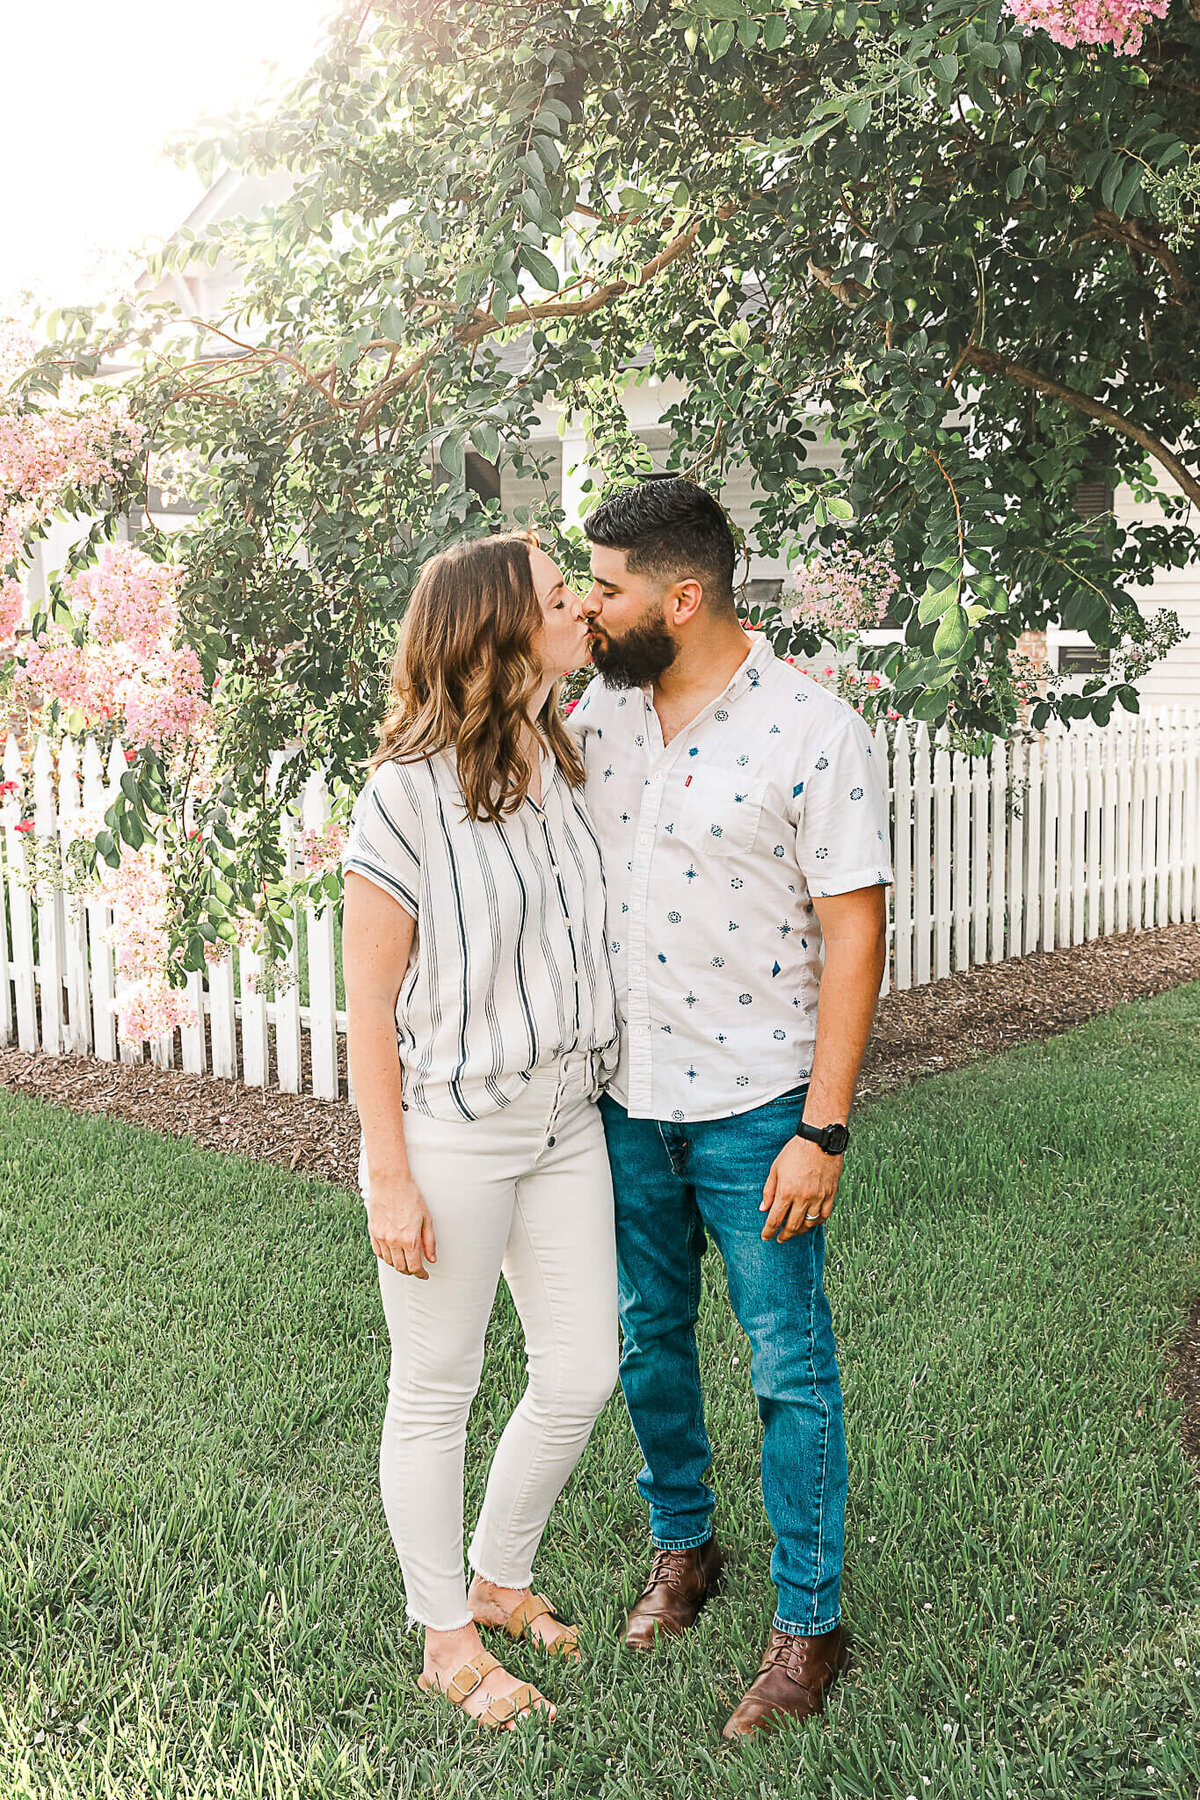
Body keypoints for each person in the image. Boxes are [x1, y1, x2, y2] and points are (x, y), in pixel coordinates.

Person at [570, 477, 892, 1740]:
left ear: (683, 596)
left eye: (605, 586)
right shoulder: (596, 711)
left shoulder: (814, 730)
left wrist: (822, 1128)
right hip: (624, 1099)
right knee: (650, 1340)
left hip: (759, 1107)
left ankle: (811, 1624)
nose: (589, 606)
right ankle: (685, 1549)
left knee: (789, 1369)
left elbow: (852, 935)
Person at [341, 532, 621, 1731]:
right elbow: (364, 1013)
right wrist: (389, 1175)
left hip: (566, 1117)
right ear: (503, 636)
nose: (583, 613)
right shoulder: (403, 795)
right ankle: (445, 1634)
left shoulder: (561, 757)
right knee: (438, 1386)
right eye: (564, 601)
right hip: (452, 1131)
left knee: (581, 1370)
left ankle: (500, 1577)